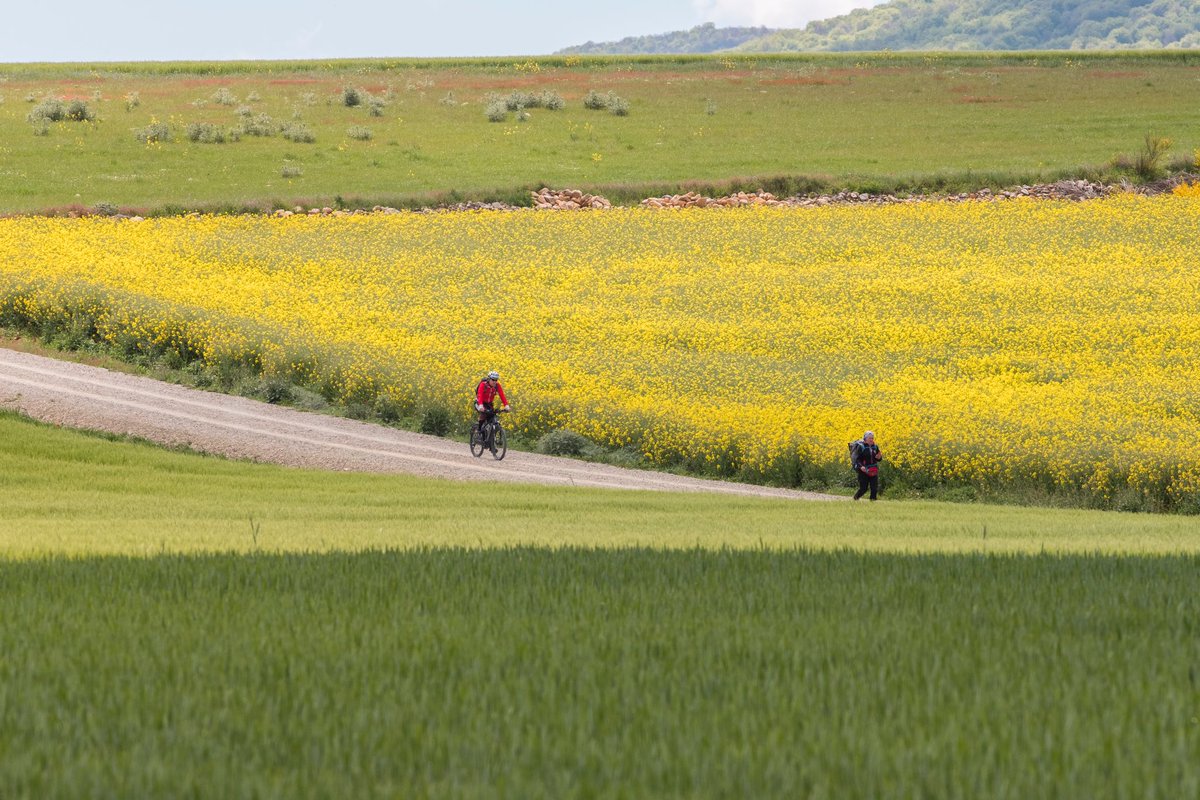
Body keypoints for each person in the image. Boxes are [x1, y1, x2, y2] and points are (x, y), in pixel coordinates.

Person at [474, 370, 510, 437]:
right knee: (483, 415)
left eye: (496, 380)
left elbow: (502, 395)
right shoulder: (483, 385)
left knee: (492, 417)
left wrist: (506, 405)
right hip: (479, 402)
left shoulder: (497, 386)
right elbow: (480, 395)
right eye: (493, 380)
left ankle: (491, 442)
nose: (494, 382)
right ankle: (479, 431)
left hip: (489, 404)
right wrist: (481, 406)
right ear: (489, 379)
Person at [851, 430, 882, 501]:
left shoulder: (875, 447)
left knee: (874, 488)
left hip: (873, 470)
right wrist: (861, 467)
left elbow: (878, 458)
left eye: (872, 438)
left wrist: (879, 457)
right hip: (863, 471)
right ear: (865, 439)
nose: (871, 440)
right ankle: (855, 498)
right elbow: (857, 459)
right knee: (863, 488)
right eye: (870, 438)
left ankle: (872, 502)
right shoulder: (861, 447)